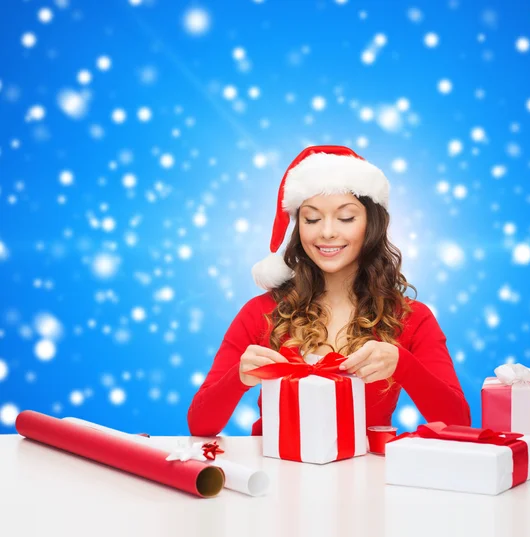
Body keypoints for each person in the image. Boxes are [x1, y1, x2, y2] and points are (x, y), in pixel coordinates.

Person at [187, 145, 471, 437]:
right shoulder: (260, 313)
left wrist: (403, 366)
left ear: (371, 224)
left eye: (346, 218)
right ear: (298, 228)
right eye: (312, 219)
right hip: (274, 477)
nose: (327, 232)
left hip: (366, 479)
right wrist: (239, 377)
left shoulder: (411, 318)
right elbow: (200, 424)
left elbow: (458, 423)